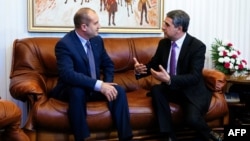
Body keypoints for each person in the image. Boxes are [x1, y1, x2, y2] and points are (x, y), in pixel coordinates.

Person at [133, 10, 223, 141]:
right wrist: (140, 70)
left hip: (190, 90)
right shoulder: (163, 43)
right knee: (157, 90)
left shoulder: (197, 46)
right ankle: (169, 135)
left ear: (179, 29)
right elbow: (153, 65)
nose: (163, 27)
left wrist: (170, 79)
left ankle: (211, 135)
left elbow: (195, 76)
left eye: (167, 25)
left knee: (191, 119)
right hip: (171, 88)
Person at [50, 7, 133, 141]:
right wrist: (99, 85)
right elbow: (68, 74)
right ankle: (82, 138)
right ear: (84, 26)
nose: (99, 26)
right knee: (77, 91)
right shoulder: (65, 44)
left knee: (118, 91)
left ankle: (126, 137)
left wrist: (107, 83)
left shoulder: (97, 40)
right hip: (72, 88)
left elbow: (108, 65)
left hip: (95, 87)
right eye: (95, 23)